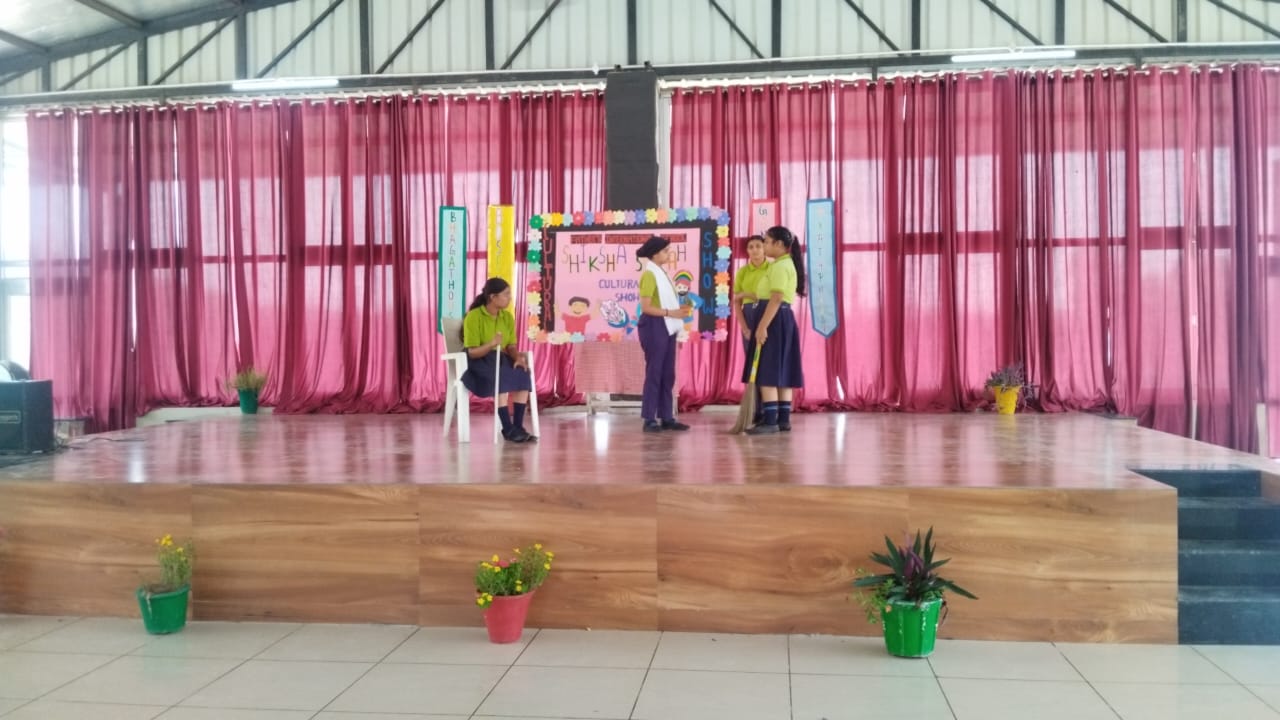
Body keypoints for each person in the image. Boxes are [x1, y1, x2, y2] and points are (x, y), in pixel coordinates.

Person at [745, 226, 806, 435]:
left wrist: (762, 326)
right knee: (782, 369)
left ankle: (770, 421)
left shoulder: (780, 266)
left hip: (774, 319)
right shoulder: (783, 264)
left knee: (768, 369)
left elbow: (776, 298)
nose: (764, 246)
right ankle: (783, 419)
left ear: (779, 244)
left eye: (767, 242)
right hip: (781, 318)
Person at [461, 278, 536, 443]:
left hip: (500, 358)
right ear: (493, 297)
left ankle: (518, 427)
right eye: (506, 294)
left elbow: (511, 346)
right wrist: (491, 344)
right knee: (500, 376)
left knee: (523, 374)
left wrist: (517, 358)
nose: (509, 298)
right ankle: (507, 428)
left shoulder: (507, 317)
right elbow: (472, 352)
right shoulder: (474, 317)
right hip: (479, 360)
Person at [636, 235, 691, 433]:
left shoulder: (662, 273)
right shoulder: (650, 275)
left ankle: (667, 416)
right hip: (654, 325)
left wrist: (675, 311)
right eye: (666, 251)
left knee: (668, 373)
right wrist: (671, 312)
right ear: (655, 254)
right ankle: (649, 418)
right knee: (655, 372)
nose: (669, 254)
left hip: (667, 324)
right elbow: (646, 307)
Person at [732, 235, 770, 422]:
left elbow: (773, 297)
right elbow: (736, 301)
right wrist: (744, 328)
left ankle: (769, 409)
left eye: (758, 246)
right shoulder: (743, 272)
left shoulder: (772, 269)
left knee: (766, 364)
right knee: (752, 364)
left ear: (765, 248)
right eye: (750, 247)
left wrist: (748, 294)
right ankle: (755, 410)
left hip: (767, 317)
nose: (754, 250)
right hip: (748, 317)